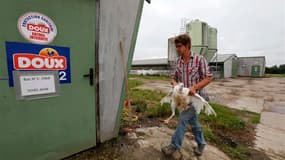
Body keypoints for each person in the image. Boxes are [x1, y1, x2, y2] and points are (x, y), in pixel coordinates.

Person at [161, 34, 213, 158]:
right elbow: (173, 78)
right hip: (183, 98)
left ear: (187, 45)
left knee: (183, 120)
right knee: (194, 122)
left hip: (196, 98)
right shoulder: (177, 62)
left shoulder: (199, 59)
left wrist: (195, 87)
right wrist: (174, 85)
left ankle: (174, 145)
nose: (177, 49)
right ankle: (201, 143)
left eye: (179, 46)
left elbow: (208, 77)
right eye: (176, 47)